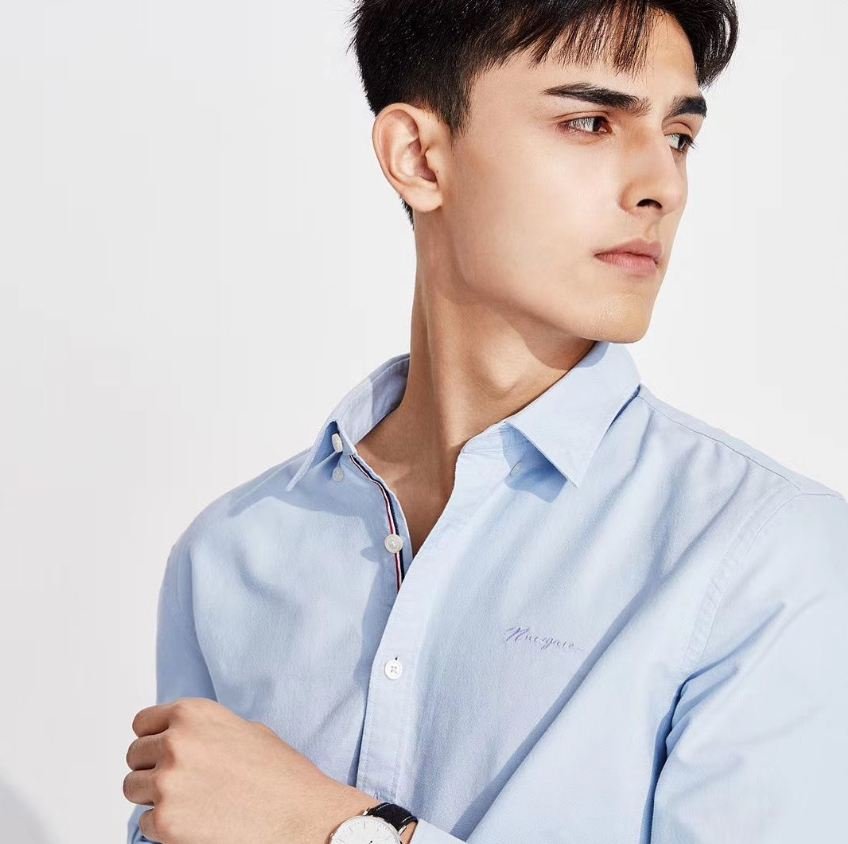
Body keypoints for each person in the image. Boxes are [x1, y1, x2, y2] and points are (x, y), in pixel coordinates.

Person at [125, 1, 848, 842]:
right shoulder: (230, 555)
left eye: (679, 136)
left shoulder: (770, 557)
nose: (664, 186)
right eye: (591, 123)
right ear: (418, 157)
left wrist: (334, 830)